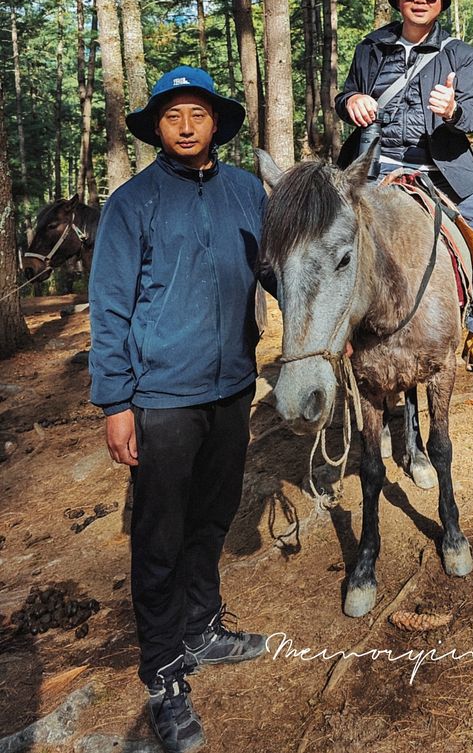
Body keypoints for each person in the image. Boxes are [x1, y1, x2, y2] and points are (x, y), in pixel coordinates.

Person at [89, 66, 270, 753]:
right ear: (157, 129)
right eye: (174, 116)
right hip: (161, 397)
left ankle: (201, 625)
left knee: (214, 514)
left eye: (198, 113)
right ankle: (165, 671)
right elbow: (108, 307)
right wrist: (115, 401)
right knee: (159, 537)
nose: (188, 125)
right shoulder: (133, 204)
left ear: (216, 124)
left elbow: (280, 269)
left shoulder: (248, 193)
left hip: (232, 389)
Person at [335, 0, 473, 383]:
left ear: (440, 3)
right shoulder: (370, 47)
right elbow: (345, 93)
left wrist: (452, 110)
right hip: (374, 168)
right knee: (331, 248)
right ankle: (341, 339)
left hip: (444, 170)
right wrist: (350, 103)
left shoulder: (459, 53)